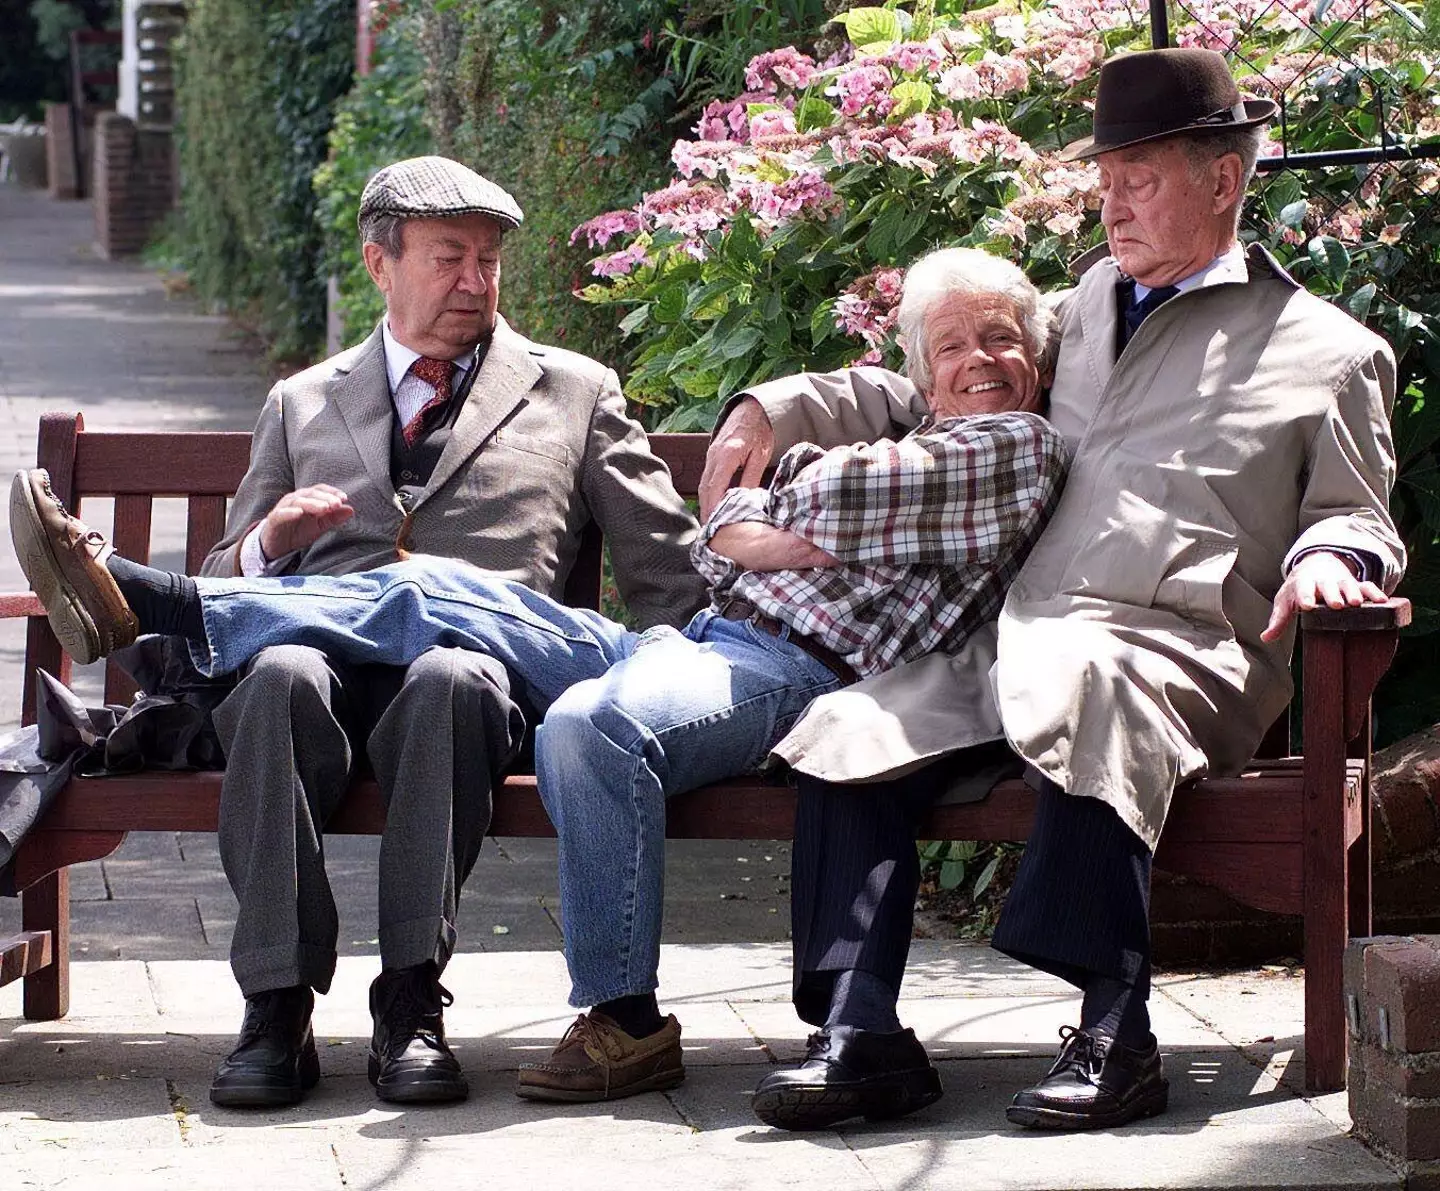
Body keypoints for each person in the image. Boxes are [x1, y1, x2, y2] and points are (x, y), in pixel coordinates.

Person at [12, 247, 1070, 1108]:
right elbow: (721, 537)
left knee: (577, 723)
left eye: (1001, 340)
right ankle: (167, 607)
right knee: (430, 591)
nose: (979, 361)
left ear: (1036, 355)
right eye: (953, 345)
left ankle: (618, 1018)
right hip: (700, 636)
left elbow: (771, 513)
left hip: (795, 669)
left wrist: (778, 506)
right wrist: (765, 509)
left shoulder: (1012, 449)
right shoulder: (899, 419)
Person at [701, 48, 1405, 1132]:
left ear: (1224, 179)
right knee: (847, 727)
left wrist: (1335, 559)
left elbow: (1357, 512)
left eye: (1141, 178)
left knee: (1093, 682)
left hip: (1181, 648)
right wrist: (776, 403)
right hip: (1012, 634)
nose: (1112, 204)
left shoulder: (1328, 352)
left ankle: (1116, 1035)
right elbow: (930, 384)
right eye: (1105, 179)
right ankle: (861, 1034)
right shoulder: (1081, 305)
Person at [9, 155, 707, 1110]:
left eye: (489, 261)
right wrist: (269, 540)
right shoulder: (302, 399)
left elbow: (668, 567)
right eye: (449, 258)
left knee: (450, 677)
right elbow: (232, 567)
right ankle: (275, 1005)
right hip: (325, 672)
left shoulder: (575, 390)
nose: (476, 281)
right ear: (380, 265)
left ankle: (412, 1002)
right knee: (281, 674)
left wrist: (684, 684)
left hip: (479, 674)